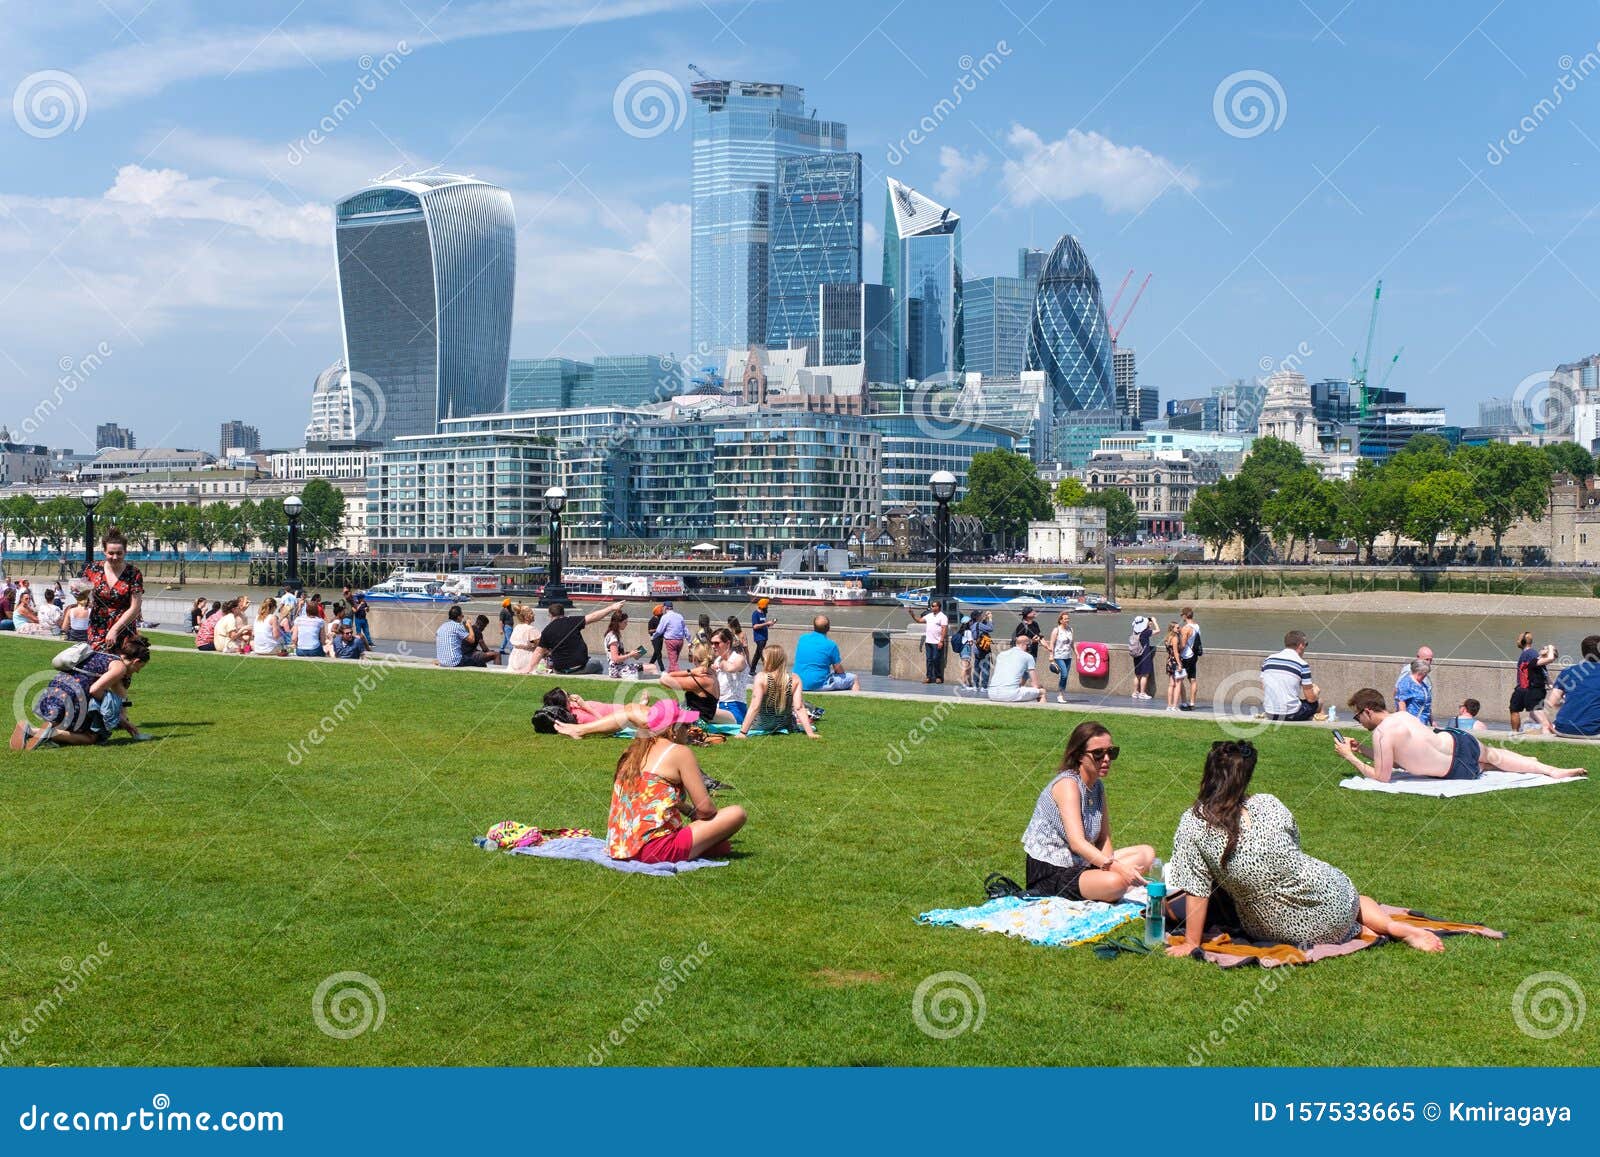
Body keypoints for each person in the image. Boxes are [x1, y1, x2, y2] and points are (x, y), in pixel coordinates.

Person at [1166, 739, 1446, 956]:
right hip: (1333, 897)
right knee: (1358, 899)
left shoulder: (1194, 822)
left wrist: (1192, 942)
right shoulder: (1268, 803)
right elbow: (1293, 847)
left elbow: (1196, 889)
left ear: (1208, 774)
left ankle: (1377, 926)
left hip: (1281, 926)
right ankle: (1391, 926)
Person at [1021, 721, 1154, 901]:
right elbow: (1077, 843)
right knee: (1117, 882)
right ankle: (1110, 886)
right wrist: (1117, 870)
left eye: (1111, 752)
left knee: (1146, 854)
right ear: (1079, 756)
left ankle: (1106, 884)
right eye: (1098, 753)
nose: (1106, 759)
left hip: (1081, 863)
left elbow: (1103, 837)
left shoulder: (1097, 786)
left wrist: (1108, 865)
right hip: (1053, 870)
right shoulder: (1068, 785)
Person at [604, 701, 747, 864]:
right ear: (672, 730)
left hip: (620, 846)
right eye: (685, 726)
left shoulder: (632, 751)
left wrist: (683, 807)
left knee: (720, 844)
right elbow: (706, 810)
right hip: (654, 849)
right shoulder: (680, 753)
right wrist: (694, 814)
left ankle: (707, 845)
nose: (689, 730)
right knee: (737, 813)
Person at [1336, 688, 1584, 781]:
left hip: (1453, 769)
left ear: (1367, 711)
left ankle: (1533, 765)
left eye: (1358, 717)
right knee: (1494, 756)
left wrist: (1350, 756)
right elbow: (1401, 757)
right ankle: (1547, 768)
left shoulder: (1381, 735)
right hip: (1455, 739)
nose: (1359, 721)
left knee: (1489, 764)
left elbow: (1383, 776)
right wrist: (1364, 750)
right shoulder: (1404, 716)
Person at [12, 633, 153, 751]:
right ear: (136, 661)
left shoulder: (106, 656)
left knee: (63, 729)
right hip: (74, 695)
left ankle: (47, 737)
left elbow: (121, 697)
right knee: (91, 738)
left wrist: (124, 721)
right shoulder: (119, 668)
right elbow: (95, 689)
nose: (138, 671)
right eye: (140, 667)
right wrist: (108, 704)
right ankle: (31, 731)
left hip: (57, 687)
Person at [661, 628, 749, 723]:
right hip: (717, 706)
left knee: (692, 711)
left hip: (735, 710)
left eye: (717, 643)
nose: (713, 646)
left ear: (728, 643)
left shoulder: (739, 658)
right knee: (682, 707)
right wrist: (692, 672)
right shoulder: (717, 660)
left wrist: (721, 664)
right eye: (712, 643)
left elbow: (732, 668)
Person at [738, 644, 818, 738]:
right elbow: (799, 707)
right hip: (785, 725)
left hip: (761, 725)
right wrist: (810, 733)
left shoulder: (761, 677)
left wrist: (743, 732)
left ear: (769, 660)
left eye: (763, 659)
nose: (763, 661)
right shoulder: (795, 679)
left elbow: (755, 707)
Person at [82, 528, 143, 652]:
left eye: (119, 553)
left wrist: (115, 630)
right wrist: (79, 595)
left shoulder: (134, 573)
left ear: (125, 552)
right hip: (97, 626)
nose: (115, 557)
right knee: (96, 664)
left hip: (123, 626)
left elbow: (135, 608)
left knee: (121, 666)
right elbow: (83, 595)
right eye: (111, 553)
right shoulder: (92, 568)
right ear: (104, 552)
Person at [531, 599, 624, 676]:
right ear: (563, 613)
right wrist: (611, 608)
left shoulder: (547, 630)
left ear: (550, 615)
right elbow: (594, 616)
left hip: (559, 670)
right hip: (580, 667)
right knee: (598, 664)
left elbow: (538, 652)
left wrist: (529, 669)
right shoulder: (572, 621)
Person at [1544, 634, 1600, 738]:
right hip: (1594, 731)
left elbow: (1552, 703)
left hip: (1562, 729)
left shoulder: (1568, 672)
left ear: (1583, 653)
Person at [1260, 629, 1320, 721]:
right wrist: (1316, 691)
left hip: (1270, 712)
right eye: (1306, 644)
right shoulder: (1302, 664)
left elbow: (1264, 687)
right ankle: (1321, 720)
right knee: (1318, 702)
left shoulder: (1268, 660)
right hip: (1290, 714)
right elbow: (1311, 699)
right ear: (1301, 645)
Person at [794, 615, 857, 692]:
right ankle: (856, 699)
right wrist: (841, 672)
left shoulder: (802, 638)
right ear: (828, 628)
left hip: (798, 682)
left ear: (814, 626)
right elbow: (838, 670)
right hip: (818, 684)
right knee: (854, 678)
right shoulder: (831, 645)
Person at [1509, 633, 1555, 733]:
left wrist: (1550, 648)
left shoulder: (1530, 653)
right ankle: (1516, 733)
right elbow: (1543, 671)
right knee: (1530, 713)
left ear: (1523, 642)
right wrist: (1550, 684)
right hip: (1526, 688)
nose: (1517, 641)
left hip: (1527, 688)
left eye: (1518, 639)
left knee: (1519, 710)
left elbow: (1545, 665)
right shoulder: (1531, 653)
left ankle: (1515, 733)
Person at [988, 631, 1045, 703]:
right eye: (1029, 645)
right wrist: (1037, 690)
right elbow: (1035, 684)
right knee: (1041, 691)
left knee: (1019, 689)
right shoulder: (1028, 656)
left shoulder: (1001, 655)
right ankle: (1043, 710)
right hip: (1010, 695)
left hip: (992, 693)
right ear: (1027, 645)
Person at [603, 609, 655, 679]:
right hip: (618, 670)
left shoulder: (614, 634)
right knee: (650, 670)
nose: (626, 624)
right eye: (625, 622)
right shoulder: (613, 637)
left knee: (651, 667)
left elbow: (617, 654)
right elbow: (615, 658)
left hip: (621, 668)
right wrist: (630, 655)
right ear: (618, 623)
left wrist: (631, 653)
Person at [906, 600, 948, 684]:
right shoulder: (929, 615)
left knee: (936, 659)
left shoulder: (943, 617)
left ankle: (938, 677)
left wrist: (941, 641)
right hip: (928, 642)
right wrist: (912, 614)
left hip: (937, 642)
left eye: (934, 606)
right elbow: (919, 620)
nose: (932, 607)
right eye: (932, 606)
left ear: (938, 607)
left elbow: (944, 629)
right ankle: (928, 677)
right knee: (929, 660)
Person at [1393, 659, 1433, 725]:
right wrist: (1406, 723)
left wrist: (1432, 721)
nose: (1426, 675)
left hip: (1422, 723)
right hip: (1411, 724)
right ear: (1419, 672)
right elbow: (1401, 703)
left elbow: (1426, 704)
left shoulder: (1423, 685)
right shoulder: (1406, 683)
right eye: (1425, 673)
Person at [653, 600, 689, 672]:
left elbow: (659, 631)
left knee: (673, 662)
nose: (663, 609)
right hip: (680, 641)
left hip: (670, 641)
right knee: (674, 660)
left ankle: (679, 677)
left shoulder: (665, 617)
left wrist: (653, 636)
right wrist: (689, 640)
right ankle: (670, 674)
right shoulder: (680, 616)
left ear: (666, 608)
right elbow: (685, 629)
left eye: (663, 607)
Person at [1047, 610, 1074, 704]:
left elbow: (1072, 643)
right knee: (1064, 674)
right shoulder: (1056, 630)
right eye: (1065, 619)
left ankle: (1061, 694)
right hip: (1059, 656)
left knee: (1065, 676)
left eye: (1068, 618)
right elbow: (1052, 643)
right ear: (1060, 620)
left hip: (1068, 656)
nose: (1067, 620)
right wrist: (1051, 656)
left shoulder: (1070, 629)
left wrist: (1077, 653)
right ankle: (1060, 695)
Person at [1178, 606, 1201, 711]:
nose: (1181, 617)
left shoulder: (1185, 628)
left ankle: (1184, 702)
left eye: (1182, 615)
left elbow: (1182, 645)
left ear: (1185, 615)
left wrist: (1176, 651)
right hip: (1194, 656)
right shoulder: (1197, 626)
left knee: (1180, 679)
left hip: (1185, 656)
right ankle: (1192, 703)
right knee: (1193, 679)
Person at [506, 604, 539, 674]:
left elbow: (517, 641)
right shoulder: (531, 629)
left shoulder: (517, 627)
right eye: (531, 613)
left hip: (514, 657)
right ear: (526, 617)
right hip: (526, 657)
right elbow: (535, 643)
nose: (534, 614)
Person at [1129, 614, 1155, 700]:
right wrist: (1154, 621)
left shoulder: (1135, 632)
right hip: (1144, 655)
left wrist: (1148, 623)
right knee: (1145, 675)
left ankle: (1135, 692)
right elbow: (1158, 631)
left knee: (1137, 675)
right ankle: (1142, 693)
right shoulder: (1146, 632)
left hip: (1136, 655)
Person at [971, 610, 995, 692]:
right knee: (985, 668)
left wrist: (985, 619)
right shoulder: (979, 624)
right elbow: (990, 629)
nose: (981, 616)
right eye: (980, 615)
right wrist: (990, 619)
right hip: (984, 649)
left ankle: (975, 685)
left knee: (977, 668)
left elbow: (980, 629)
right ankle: (984, 687)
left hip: (976, 649)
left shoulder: (973, 625)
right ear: (977, 617)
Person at [1164, 620, 1185, 712]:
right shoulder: (1175, 638)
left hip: (1169, 661)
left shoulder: (1167, 638)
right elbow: (1176, 652)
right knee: (1178, 684)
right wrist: (1179, 664)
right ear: (1172, 628)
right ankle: (1175, 706)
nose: (1179, 628)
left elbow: (1170, 651)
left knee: (1171, 684)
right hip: (1175, 662)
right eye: (1177, 627)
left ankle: (1169, 705)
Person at [750, 598, 772, 670]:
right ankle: (768, 670)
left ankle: (752, 670)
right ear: (763, 606)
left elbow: (763, 624)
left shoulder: (763, 613)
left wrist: (769, 624)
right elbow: (755, 626)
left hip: (764, 637)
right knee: (763, 654)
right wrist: (766, 623)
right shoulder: (755, 614)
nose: (768, 606)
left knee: (758, 654)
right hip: (759, 638)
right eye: (767, 605)